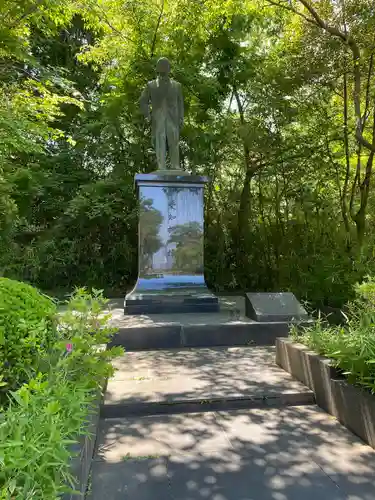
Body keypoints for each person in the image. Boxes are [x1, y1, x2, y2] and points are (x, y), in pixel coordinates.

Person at [140, 57, 184, 170]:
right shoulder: (151, 85)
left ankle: (175, 165)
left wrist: (181, 118)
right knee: (159, 140)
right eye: (161, 66)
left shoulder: (177, 86)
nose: (164, 68)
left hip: (172, 119)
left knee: (173, 140)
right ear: (157, 69)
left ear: (169, 69)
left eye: (166, 66)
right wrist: (147, 116)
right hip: (158, 119)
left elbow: (180, 103)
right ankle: (161, 166)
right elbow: (143, 101)